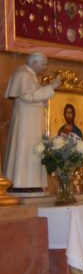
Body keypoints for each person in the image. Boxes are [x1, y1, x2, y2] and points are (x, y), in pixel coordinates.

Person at [4, 53, 60, 191]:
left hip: (31, 119)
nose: (45, 68)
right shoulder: (23, 74)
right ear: (34, 63)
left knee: (32, 148)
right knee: (25, 147)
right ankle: (22, 184)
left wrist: (44, 98)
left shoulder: (30, 75)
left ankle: (31, 183)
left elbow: (33, 96)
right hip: (26, 120)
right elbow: (28, 97)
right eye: (43, 64)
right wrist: (51, 87)